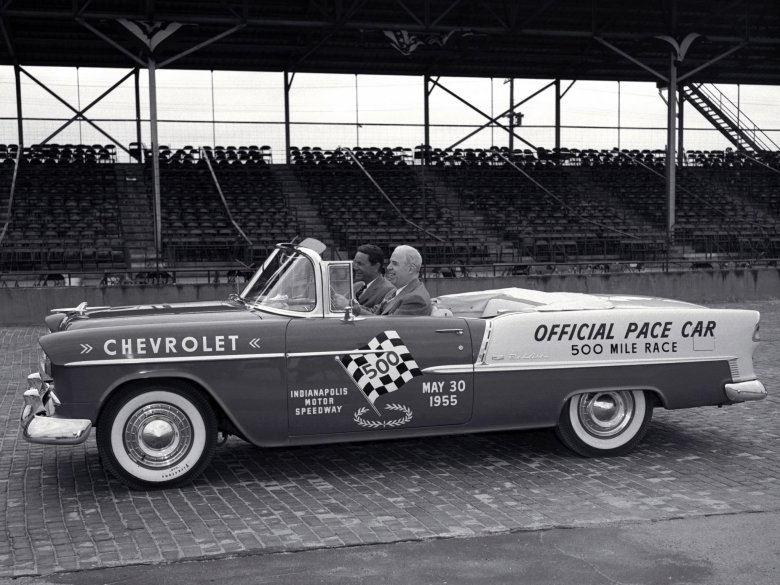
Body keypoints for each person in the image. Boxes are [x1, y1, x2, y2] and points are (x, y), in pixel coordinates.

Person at [372, 245, 431, 316]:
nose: (388, 267)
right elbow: (375, 313)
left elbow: (387, 325)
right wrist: (356, 307)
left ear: (410, 269)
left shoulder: (415, 299)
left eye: (394, 263)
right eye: (390, 263)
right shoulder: (394, 291)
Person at [352, 244, 395, 312]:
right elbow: (338, 302)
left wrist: (349, 305)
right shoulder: (356, 286)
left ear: (376, 267)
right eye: (355, 263)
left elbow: (377, 315)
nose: (355, 267)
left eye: (360, 264)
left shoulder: (389, 291)